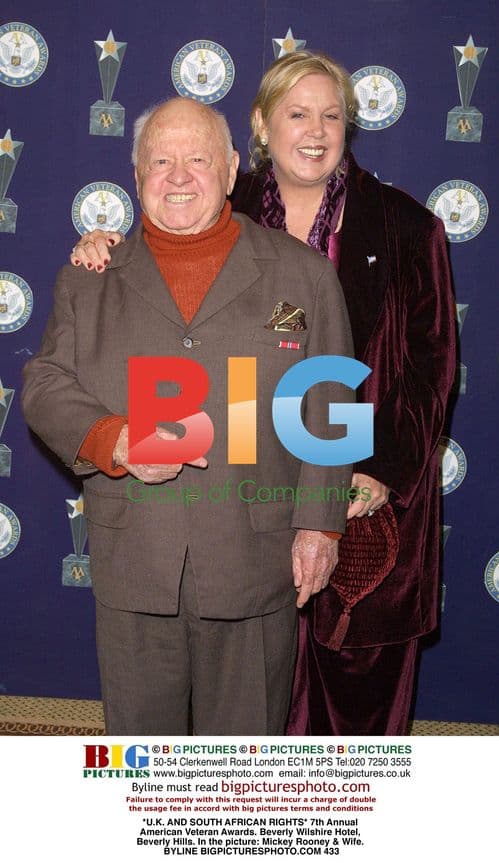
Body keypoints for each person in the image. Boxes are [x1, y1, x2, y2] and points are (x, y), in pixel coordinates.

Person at [71, 51, 457, 736]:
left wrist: (370, 476)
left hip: (359, 497)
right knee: (238, 702)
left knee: (348, 703)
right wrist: (105, 245)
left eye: (332, 115)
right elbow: (155, 282)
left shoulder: (405, 226)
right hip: (235, 506)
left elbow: (430, 371)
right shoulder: (216, 197)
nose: (315, 130)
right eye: (297, 113)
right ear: (259, 125)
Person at [22, 96, 354, 736]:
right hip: (135, 562)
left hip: (257, 559)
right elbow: (44, 383)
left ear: (231, 169)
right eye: (161, 160)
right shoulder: (90, 276)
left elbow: (331, 404)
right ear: (137, 172)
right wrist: (113, 440)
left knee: (241, 768)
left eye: (197, 159)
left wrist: (323, 526)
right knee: (144, 760)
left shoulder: (305, 273)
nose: (178, 176)